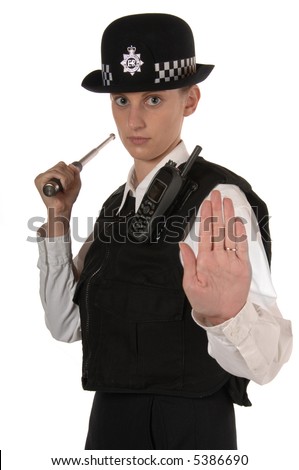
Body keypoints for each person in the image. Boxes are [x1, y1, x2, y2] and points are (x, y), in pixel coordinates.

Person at [34, 13, 292, 450]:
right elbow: (66, 324)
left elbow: (266, 363)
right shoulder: (115, 207)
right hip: (110, 422)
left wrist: (228, 315)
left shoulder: (220, 200)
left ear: (189, 100)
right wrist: (60, 216)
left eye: (153, 99)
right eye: (122, 100)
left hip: (189, 425)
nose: (134, 121)